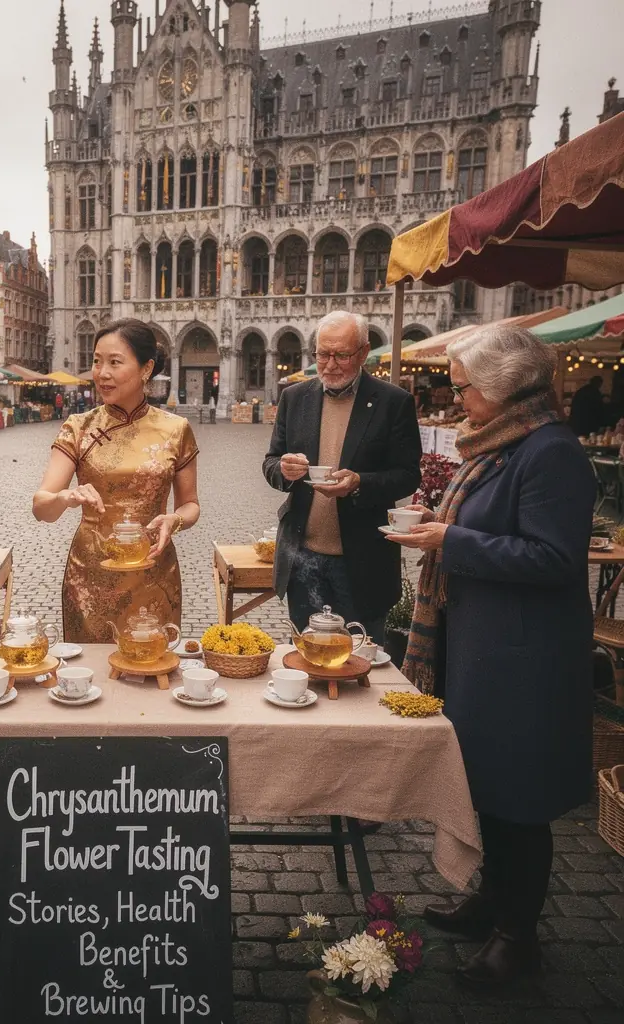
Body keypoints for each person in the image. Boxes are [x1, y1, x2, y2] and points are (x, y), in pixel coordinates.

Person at [387, 325, 594, 987]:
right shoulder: (500, 443)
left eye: (466, 386)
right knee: (487, 785)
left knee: (519, 799)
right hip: (483, 646)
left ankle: (517, 939)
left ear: (504, 388)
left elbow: (555, 559)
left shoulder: (550, 451)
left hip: (524, 659)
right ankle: (491, 901)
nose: (458, 398)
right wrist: (442, 524)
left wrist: (450, 540)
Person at [32, 318, 200, 643]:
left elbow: (190, 504)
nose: (102, 373)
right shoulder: (79, 427)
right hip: (91, 575)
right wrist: (67, 497)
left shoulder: (176, 430)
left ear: (146, 368)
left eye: (114, 362)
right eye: (97, 361)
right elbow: (41, 507)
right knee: (91, 668)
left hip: (153, 572)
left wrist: (175, 520)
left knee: (150, 662)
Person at [262, 310, 421, 643]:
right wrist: (284, 470)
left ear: (363, 353)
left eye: (342, 355)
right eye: (323, 354)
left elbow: (408, 476)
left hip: (361, 561)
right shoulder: (294, 397)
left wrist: (360, 483)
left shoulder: (393, 402)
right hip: (303, 558)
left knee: (361, 653)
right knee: (306, 651)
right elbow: (271, 462)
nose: (330, 365)